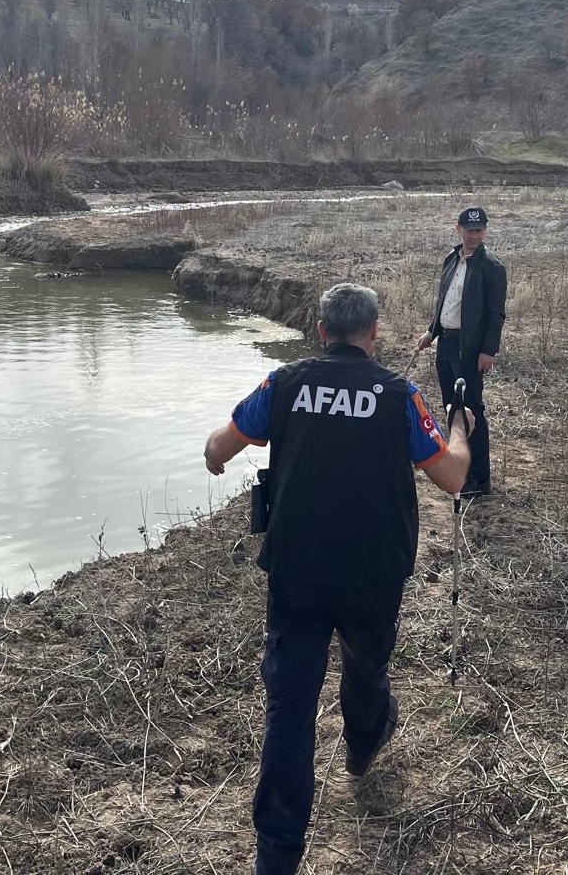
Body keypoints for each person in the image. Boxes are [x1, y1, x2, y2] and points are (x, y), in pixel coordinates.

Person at [203, 282, 472, 875]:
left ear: (321, 332)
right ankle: (363, 742)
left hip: (296, 571)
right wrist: (459, 430)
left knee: (290, 710)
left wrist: (215, 456)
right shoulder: (397, 394)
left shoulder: (284, 384)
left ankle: (276, 859)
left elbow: (222, 443)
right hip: (374, 572)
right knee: (366, 665)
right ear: (372, 334)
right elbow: (451, 477)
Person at [417, 206, 507, 498]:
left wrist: (488, 351)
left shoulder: (492, 267)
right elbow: (445, 302)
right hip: (446, 345)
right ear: (458, 229)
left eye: (479, 230)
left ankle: (479, 480)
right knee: (451, 408)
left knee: (471, 411)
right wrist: (432, 331)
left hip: (470, 351)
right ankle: (459, 470)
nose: (474, 235)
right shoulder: (450, 260)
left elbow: (496, 315)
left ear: (484, 231)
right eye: (469, 230)